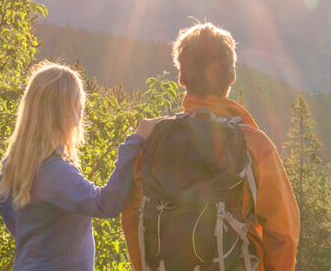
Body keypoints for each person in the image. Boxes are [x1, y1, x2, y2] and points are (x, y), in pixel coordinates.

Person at [121, 22, 300, 270]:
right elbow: (282, 235)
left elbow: (132, 215)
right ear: (232, 78)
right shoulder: (255, 146)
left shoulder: (154, 139)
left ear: (182, 78)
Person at [0, 62, 158, 270]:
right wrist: (135, 142)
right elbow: (104, 204)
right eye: (78, 102)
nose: (82, 109)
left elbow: (5, 205)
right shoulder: (53, 171)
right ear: (66, 111)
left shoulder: (15, 166)